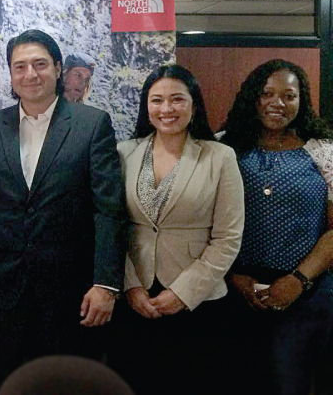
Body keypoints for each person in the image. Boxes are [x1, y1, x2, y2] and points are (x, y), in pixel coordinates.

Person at [0, 29, 127, 395]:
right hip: (1, 292)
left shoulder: (92, 125)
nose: (30, 74)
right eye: (20, 66)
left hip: (68, 293)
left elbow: (109, 209)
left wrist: (106, 284)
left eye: (40, 64)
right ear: (11, 75)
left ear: (58, 69)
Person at [109, 65, 244, 395]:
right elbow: (112, 226)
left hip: (198, 302)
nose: (166, 108)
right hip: (135, 299)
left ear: (194, 105)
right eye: (157, 100)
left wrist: (183, 292)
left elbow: (228, 237)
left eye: (177, 99)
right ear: (146, 106)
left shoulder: (220, 156)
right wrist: (130, 286)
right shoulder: (124, 153)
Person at [220, 59, 333, 395]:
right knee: (237, 382)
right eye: (266, 94)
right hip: (234, 290)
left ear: (302, 101)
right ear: (252, 97)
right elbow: (204, 223)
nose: (277, 103)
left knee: (290, 383)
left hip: (306, 292)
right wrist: (233, 276)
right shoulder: (223, 147)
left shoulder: (323, 152)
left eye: (289, 96)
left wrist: (298, 281)